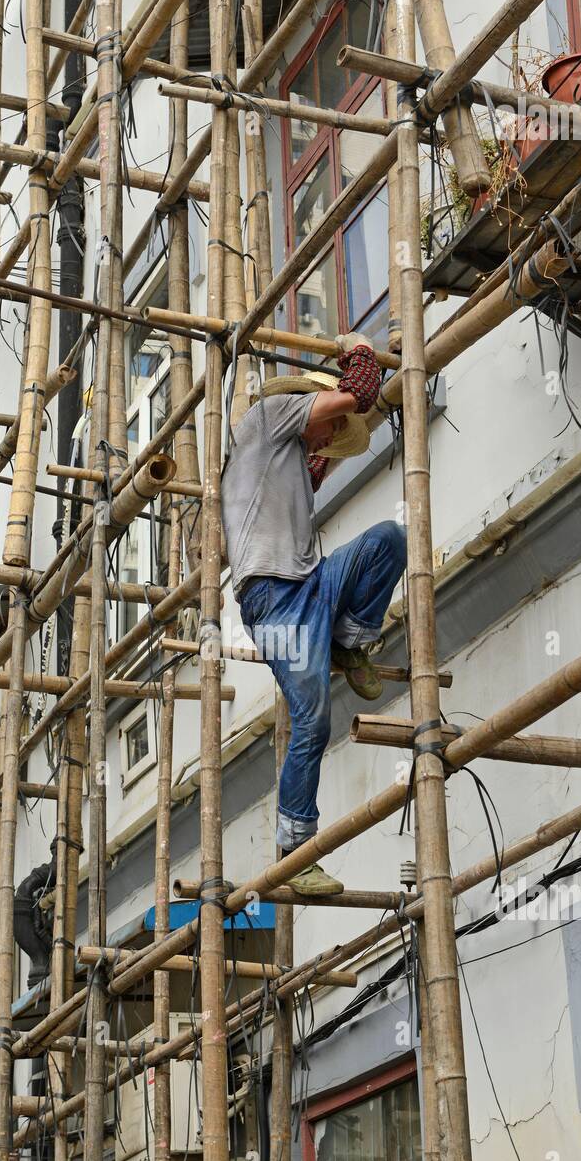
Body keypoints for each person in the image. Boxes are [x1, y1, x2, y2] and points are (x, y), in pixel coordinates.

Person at [222, 334, 407, 897]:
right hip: (274, 602)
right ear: (306, 407)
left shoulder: (294, 462)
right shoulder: (269, 417)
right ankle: (296, 850)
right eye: (326, 425)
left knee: (388, 542)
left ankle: (348, 643)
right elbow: (358, 392)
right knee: (313, 720)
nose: (328, 439)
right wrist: (357, 347)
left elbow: (358, 411)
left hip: (313, 584)